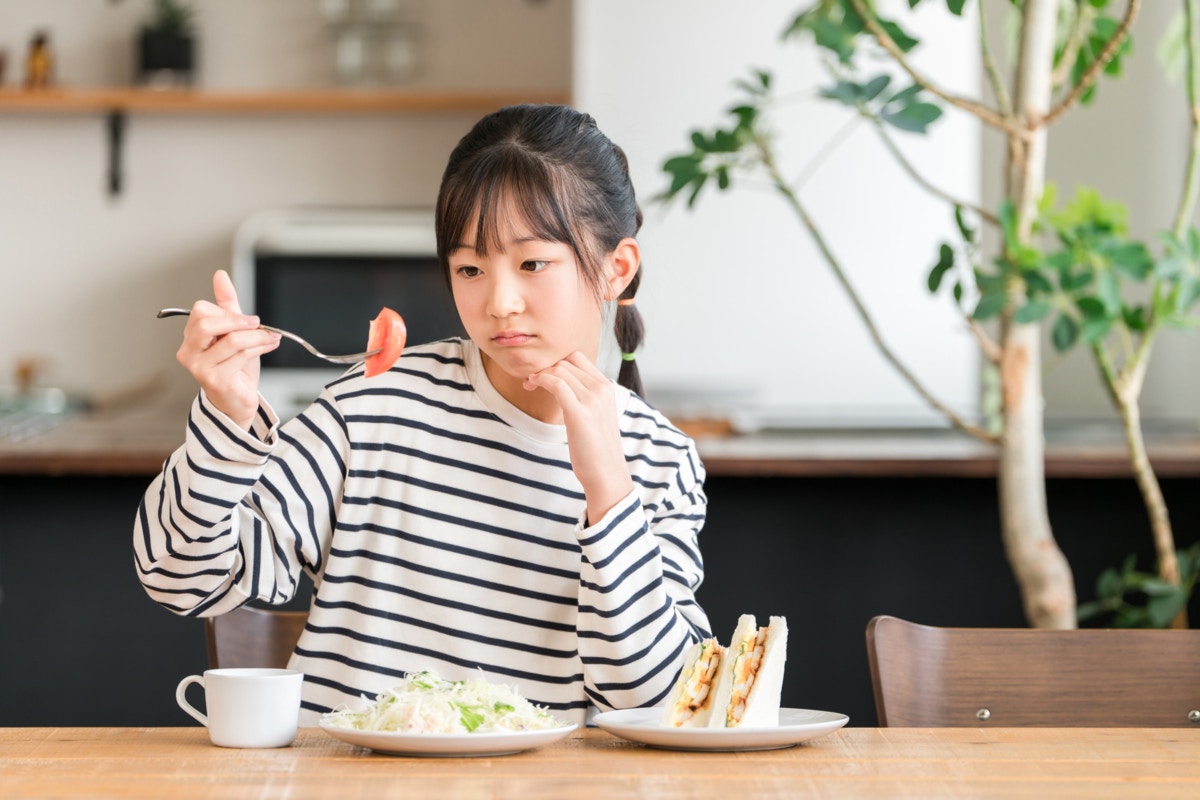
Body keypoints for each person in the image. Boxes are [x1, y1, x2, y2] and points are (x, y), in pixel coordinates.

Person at [133, 104, 711, 726]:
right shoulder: (373, 405)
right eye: (469, 268)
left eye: (532, 263)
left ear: (615, 270)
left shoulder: (657, 460)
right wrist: (223, 422)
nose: (499, 302)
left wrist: (608, 493)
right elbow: (179, 578)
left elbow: (658, 703)